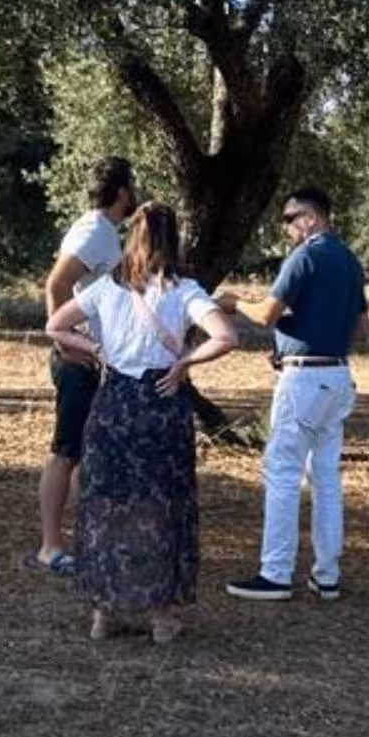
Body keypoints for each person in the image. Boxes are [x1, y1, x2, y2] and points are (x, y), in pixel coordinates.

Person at [45, 203, 239, 644]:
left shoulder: (105, 290)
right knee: (162, 507)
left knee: (108, 503)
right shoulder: (185, 290)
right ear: (175, 241)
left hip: (113, 404)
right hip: (161, 405)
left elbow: (55, 325)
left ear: (131, 239)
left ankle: (104, 610)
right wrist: (186, 361)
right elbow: (227, 337)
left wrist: (94, 349)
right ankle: (162, 615)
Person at [216, 186, 369, 602]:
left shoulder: (305, 257)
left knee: (282, 472)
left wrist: (234, 303)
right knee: (325, 476)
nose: (285, 228)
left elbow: (267, 313)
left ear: (312, 219)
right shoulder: (350, 262)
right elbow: (361, 329)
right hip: (338, 375)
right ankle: (327, 574)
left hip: (304, 379)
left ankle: (276, 572)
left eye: (290, 218)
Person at [29, 157, 137, 576]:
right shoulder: (94, 231)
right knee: (66, 452)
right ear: (123, 192)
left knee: (87, 454)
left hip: (92, 358)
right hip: (78, 360)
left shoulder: (106, 233)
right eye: (133, 186)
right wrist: (65, 342)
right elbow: (56, 282)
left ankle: (87, 540)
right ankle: (50, 547)